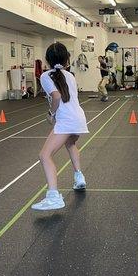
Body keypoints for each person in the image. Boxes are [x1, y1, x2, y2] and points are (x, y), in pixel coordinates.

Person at [32, 42, 88, 211]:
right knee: (70, 144)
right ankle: (79, 177)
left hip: (66, 120)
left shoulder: (45, 76)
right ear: (67, 59)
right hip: (78, 118)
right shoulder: (70, 75)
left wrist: (51, 114)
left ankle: (53, 196)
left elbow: (56, 97)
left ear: (47, 60)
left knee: (44, 155)